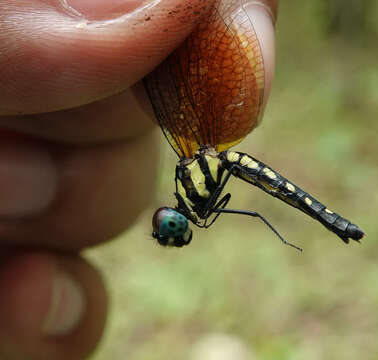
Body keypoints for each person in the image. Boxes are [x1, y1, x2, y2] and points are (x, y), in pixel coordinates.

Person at [0, 0, 277, 358]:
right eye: (172, 227)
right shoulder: (194, 181)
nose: (173, 228)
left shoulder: (192, 170)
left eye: (169, 226)